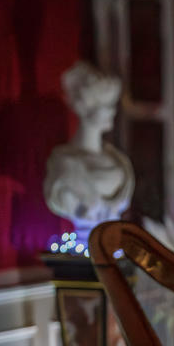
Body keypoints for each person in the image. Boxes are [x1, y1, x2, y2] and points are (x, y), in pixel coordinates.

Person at [43, 61, 134, 240]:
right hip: (82, 244)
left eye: (113, 105)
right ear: (85, 108)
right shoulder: (64, 163)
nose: (112, 112)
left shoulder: (118, 161)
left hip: (112, 246)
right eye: (106, 106)